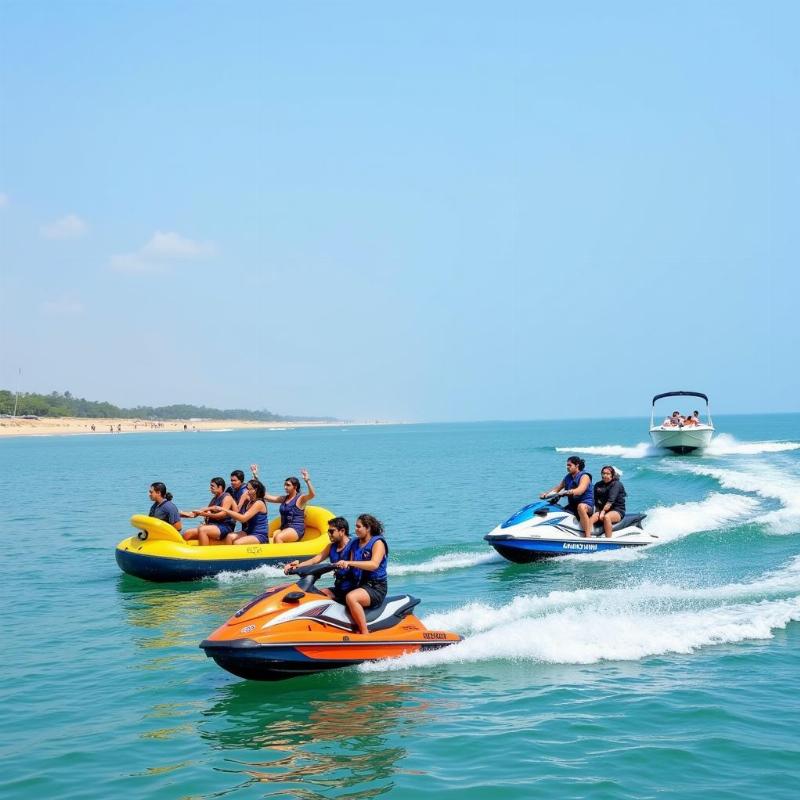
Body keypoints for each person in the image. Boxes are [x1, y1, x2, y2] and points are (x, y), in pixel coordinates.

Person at [333, 514, 388, 635]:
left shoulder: (377, 543)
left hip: (376, 587)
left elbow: (374, 564)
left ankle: (364, 632)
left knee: (351, 597)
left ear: (368, 528)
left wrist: (350, 562)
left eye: (359, 527)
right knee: (327, 594)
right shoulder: (355, 543)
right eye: (355, 527)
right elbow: (347, 562)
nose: (355, 529)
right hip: (359, 585)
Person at [284, 516, 357, 602]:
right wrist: (297, 565)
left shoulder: (353, 545)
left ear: (342, 531)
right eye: (328, 532)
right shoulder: (331, 547)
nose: (329, 534)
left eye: (331, 531)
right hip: (339, 588)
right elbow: (314, 560)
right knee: (316, 597)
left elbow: (355, 564)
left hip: (352, 589)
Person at [251, 466, 315, 543]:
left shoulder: (300, 498)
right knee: (274, 535)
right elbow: (266, 496)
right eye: (285, 485)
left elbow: (312, 495)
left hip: (296, 529)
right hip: (284, 528)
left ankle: (281, 555)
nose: (285, 487)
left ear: (295, 487)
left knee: (278, 537)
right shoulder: (284, 498)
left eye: (288, 485)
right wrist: (255, 477)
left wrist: (307, 480)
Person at [540, 456, 594, 537]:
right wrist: (546, 495)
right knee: (557, 509)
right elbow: (557, 489)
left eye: (569, 465)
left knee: (581, 507)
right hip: (573, 506)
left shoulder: (584, 476)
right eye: (567, 465)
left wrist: (568, 492)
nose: (567, 467)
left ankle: (588, 536)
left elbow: (580, 490)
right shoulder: (568, 477)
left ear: (577, 465)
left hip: (587, 505)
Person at [183, 477, 238, 546]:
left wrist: (203, 514)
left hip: (224, 527)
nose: (210, 488)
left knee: (203, 530)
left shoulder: (227, 498)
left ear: (220, 487)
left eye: (212, 486)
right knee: (187, 533)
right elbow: (198, 513)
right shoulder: (214, 499)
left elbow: (222, 515)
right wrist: (180, 514)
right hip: (214, 525)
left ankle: (204, 553)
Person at [224, 479, 270, 545]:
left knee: (237, 543)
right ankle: (228, 555)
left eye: (249, 489)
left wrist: (226, 511)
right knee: (229, 537)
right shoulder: (250, 501)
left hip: (259, 534)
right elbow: (238, 511)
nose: (247, 491)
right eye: (247, 489)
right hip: (248, 532)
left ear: (255, 490)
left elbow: (243, 518)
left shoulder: (259, 503)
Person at [589, 466, 627, 538]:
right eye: (603, 473)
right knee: (592, 518)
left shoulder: (616, 484)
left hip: (617, 510)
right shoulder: (598, 484)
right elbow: (596, 500)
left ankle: (608, 539)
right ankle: (587, 538)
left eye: (608, 474)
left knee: (607, 517)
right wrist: (597, 511)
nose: (605, 475)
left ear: (612, 475)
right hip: (604, 510)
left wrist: (602, 512)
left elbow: (610, 501)